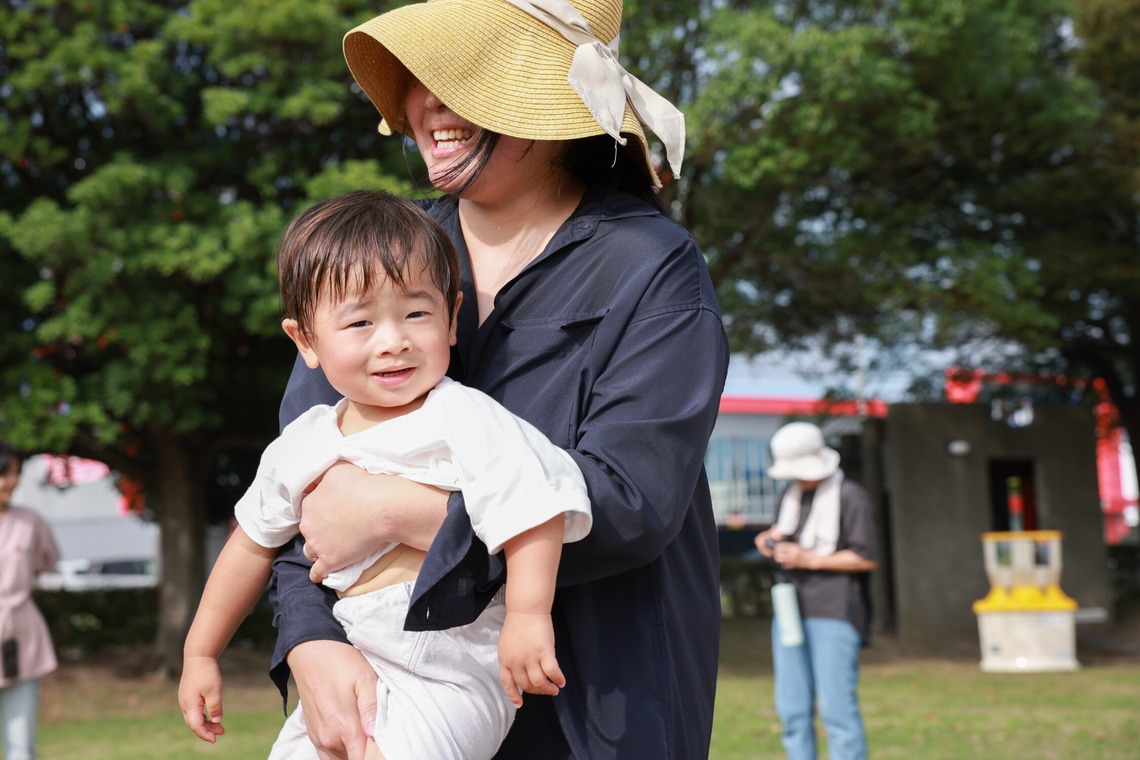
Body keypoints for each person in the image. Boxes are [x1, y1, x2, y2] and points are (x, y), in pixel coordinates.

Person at [269, 1, 730, 758]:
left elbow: (634, 502)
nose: (428, 104)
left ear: (546, 102)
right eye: (421, 77)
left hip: (594, 697)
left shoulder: (652, 266)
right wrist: (311, 640)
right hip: (391, 695)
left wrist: (398, 510)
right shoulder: (380, 260)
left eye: (465, 77)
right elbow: (297, 483)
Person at [178, 191, 592, 760]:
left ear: (451, 317)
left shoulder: (463, 416)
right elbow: (249, 546)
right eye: (361, 321)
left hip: (450, 659)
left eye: (416, 314)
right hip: (353, 647)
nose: (392, 340)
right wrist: (201, 652)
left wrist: (527, 615)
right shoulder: (304, 441)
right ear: (305, 341)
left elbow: (534, 509)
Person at [753, 422, 878, 760]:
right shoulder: (790, 495)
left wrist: (810, 559)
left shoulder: (851, 496)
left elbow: (866, 558)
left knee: (837, 712)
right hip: (790, 610)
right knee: (792, 709)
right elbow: (786, 534)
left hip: (836, 612)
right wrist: (770, 542)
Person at [0, 441, 61, 760]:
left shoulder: (30, 521)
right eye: (4, 473)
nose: (10, 481)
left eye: (14, 474)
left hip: (20, 639)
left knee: (20, 745)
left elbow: (46, 561)